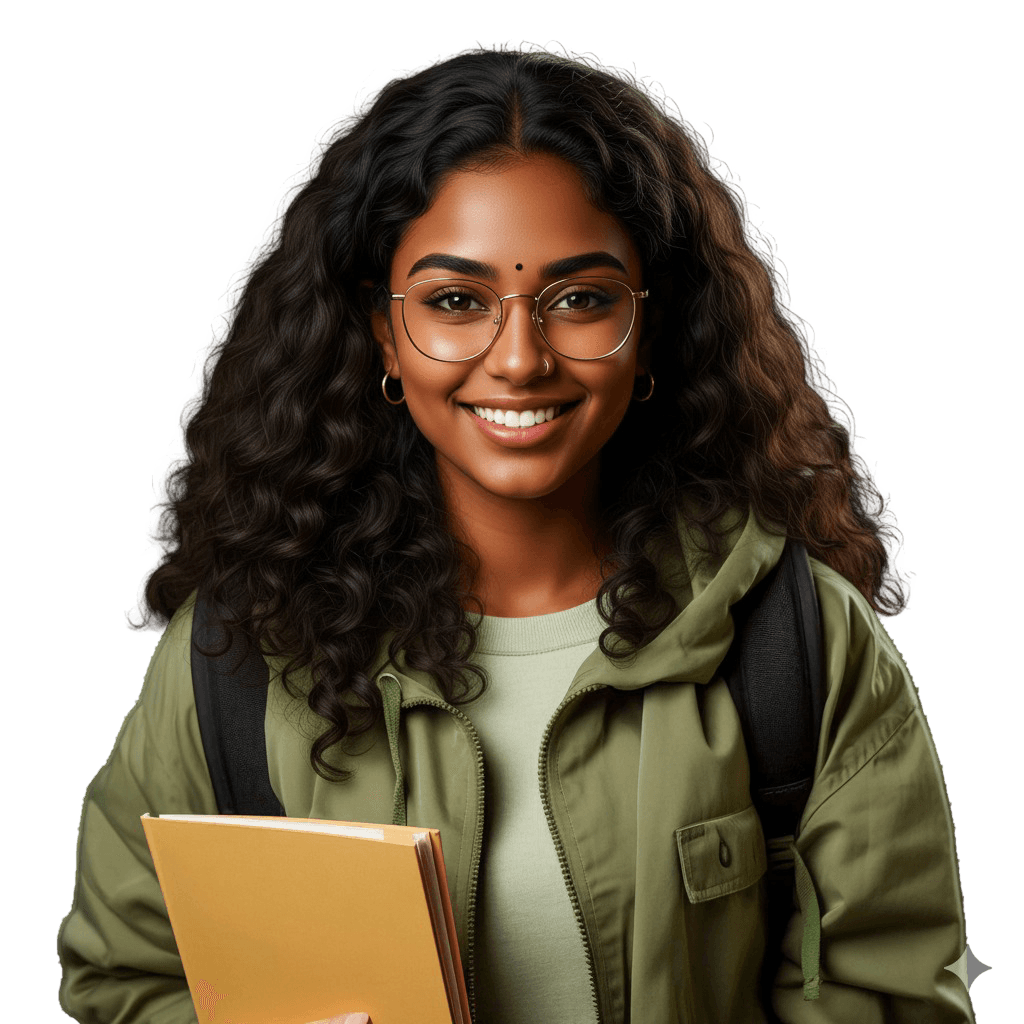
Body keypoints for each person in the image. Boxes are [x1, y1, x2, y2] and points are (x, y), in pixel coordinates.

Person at [57, 41, 974, 1024]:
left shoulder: (800, 642)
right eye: (455, 301)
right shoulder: (235, 659)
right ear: (380, 334)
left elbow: (895, 998)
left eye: (581, 299)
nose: (521, 358)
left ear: (651, 328)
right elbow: (125, 979)